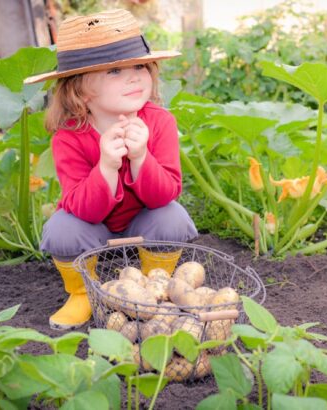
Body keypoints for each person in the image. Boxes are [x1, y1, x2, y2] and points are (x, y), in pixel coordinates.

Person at [25, 9, 198, 330]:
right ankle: (81, 293)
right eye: (116, 70)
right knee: (63, 229)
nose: (134, 76)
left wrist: (141, 158)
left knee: (172, 217)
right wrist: (106, 166)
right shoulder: (69, 136)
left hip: (144, 220)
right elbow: (83, 210)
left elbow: (165, 194)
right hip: (93, 228)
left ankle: (153, 287)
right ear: (79, 89)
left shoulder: (160, 122)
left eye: (140, 66)